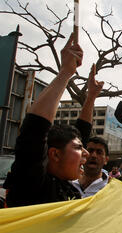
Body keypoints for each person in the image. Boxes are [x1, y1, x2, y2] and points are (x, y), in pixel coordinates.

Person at [4, 34, 102, 207]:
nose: (86, 154)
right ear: (55, 154)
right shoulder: (32, 185)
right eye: (79, 148)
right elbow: (35, 128)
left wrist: (91, 97)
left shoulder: (70, 191)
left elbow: (82, 131)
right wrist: (66, 72)